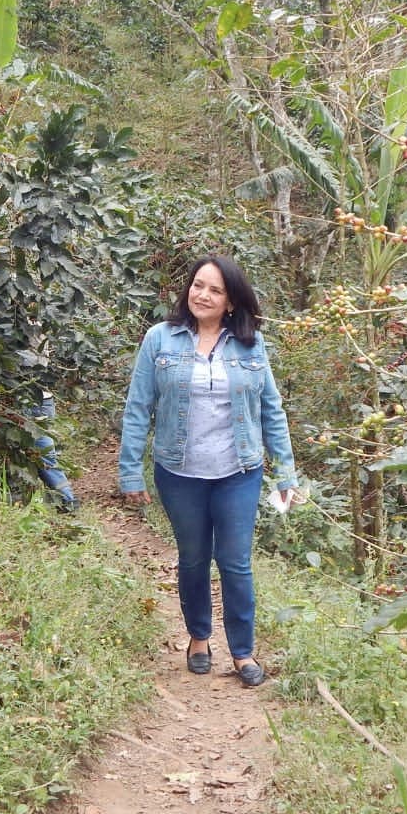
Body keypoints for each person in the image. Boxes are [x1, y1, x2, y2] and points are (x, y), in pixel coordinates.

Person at [118, 256, 298, 688]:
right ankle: (199, 637)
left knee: (235, 563)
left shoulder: (251, 345)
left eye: (215, 290)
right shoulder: (159, 339)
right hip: (179, 473)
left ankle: (242, 651)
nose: (202, 295)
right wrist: (130, 473)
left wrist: (286, 471)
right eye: (198, 285)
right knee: (194, 558)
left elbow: (271, 409)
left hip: (239, 469)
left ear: (231, 301)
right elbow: (138, 407)